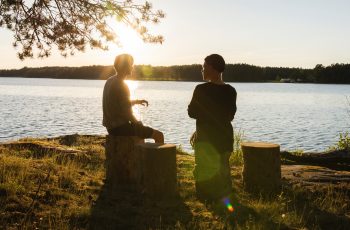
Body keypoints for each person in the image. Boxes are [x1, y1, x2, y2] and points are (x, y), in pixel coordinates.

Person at [188, 54, 237, 202]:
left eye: (204, 67)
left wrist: (204, 119)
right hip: (224, 138)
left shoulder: (201, 89)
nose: (202, 70)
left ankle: (207, 200)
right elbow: (230, 116)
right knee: (223, 171)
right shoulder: (231, 90)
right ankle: (226, 201)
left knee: (204, 171)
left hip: (206, 140)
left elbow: (192, 112)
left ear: (212, 68)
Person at [103, 53, 164, 143]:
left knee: (140, 133)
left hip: (110, 127)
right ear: (125, 67)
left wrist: (136, 102)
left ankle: (142, 154)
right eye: (131, 65)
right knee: (159, 135)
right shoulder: (122, 85)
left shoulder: (110, 80)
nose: (132, 67)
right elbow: (127, 113)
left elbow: (118, 104)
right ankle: (158, 157)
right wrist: (138, 123)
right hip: (120, 128)